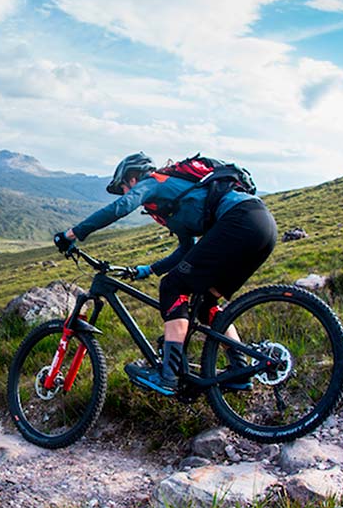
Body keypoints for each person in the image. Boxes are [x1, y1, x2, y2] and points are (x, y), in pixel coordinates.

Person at [54, 152, 277, 393]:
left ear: (132, 177)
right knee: (205, 304)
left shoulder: (153, 182)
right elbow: (187, 248)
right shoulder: (173, 204)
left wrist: (72, 234)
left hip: (240, 220)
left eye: (123, 187)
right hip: (261, 228)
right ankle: (239, 371)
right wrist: (147, 270)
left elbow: (120, 208)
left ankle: (168, 375)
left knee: (172, 287)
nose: (125, 192)